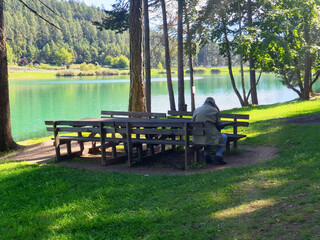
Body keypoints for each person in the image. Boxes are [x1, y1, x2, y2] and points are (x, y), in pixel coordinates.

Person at [192, 97, 227, 165]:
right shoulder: (214, 110)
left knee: (206, 139)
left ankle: (206, 154)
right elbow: (218, 123)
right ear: (213, 104)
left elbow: (192, 122)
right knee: (224, 137)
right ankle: (218, 155)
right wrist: (217, 109)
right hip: (210, 136)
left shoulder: (196, 110)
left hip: (197, 138)